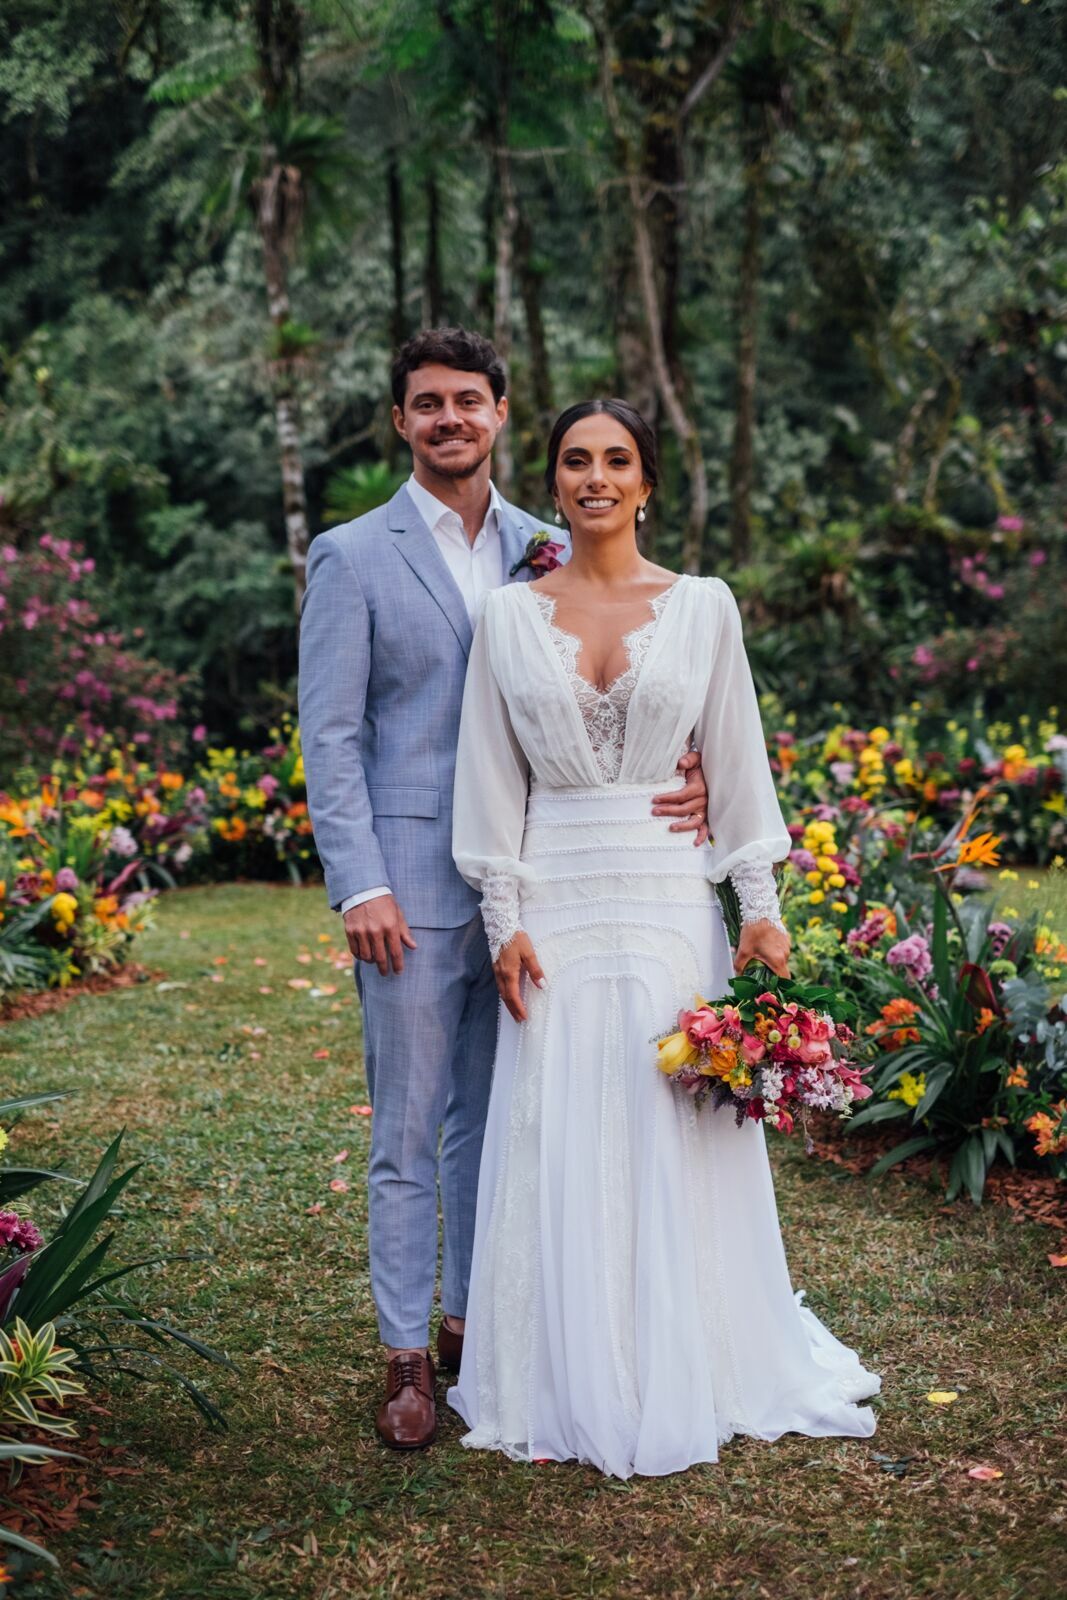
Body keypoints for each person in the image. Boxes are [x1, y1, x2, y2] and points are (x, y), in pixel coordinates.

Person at [449, 397, 880, 1477]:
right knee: (561, 1119)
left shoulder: (702, 608)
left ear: (647, 483)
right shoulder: (506, 618)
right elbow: (488, 775)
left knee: (669, 1116)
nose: (595, 477)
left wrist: (762, 908)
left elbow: (735, 760)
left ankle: (697, 1356)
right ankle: (560, 1365)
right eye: (574, 461)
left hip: (664, 894)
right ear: (552, 483)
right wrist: (500, 919)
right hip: (552, 896)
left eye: (617, 460)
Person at [298, 332, 712, 1450]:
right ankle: (401, 1363)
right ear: (400, 421)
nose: (448, 419)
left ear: (498, 412)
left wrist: (695, 768)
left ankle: (475, 1329)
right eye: (426, 403)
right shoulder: (351, 554)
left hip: (545, 892)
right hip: (410, 897)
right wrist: (360, 884)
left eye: (467, 402)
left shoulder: (546, 542)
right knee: (408, 1125)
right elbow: (329, 737)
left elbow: (625, 679)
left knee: (501, 1124)